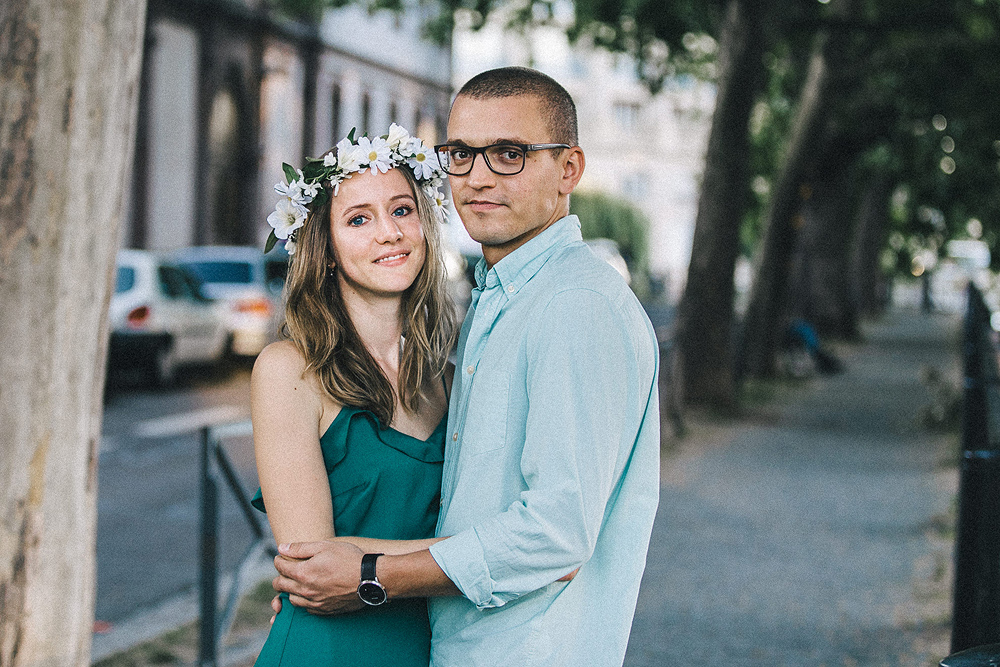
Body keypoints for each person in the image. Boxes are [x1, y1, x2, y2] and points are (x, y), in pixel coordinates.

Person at [270, 67, 661, 667]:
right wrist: (334, 572)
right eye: (461, 153)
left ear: (569, 170)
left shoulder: (574, 307)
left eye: (509, 154)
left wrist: (371, 573)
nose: (478, 177)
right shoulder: (494, 307)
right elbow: (466, 516)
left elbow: (556, 534)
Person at [250, 124, 458, 666]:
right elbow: (312, 562)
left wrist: (365, 561)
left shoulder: (451, 378)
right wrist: (490, 557)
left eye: (403, 210)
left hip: (430, 647)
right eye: (359, 219)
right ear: (327, 248)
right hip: (326, 649)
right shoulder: (289, 370)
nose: (388, 232)